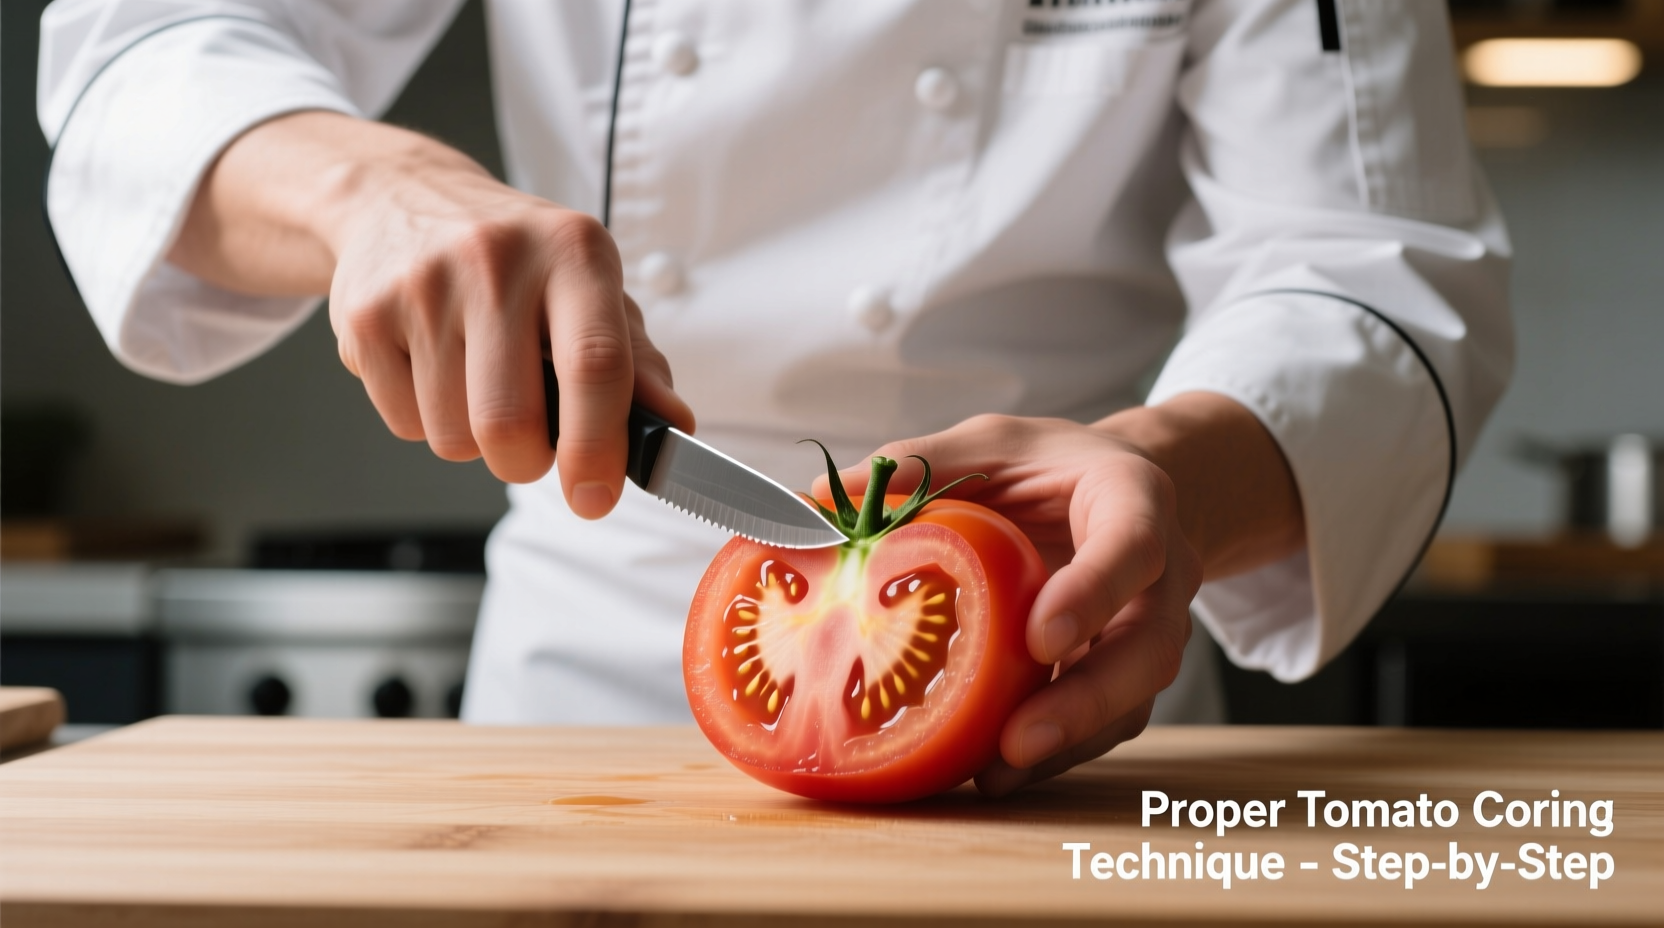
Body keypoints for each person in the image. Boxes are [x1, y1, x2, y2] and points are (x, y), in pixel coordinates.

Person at [38, 0, 1511, 795]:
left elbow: (1373, 265)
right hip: (573, 715)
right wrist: (375, 188)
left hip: (1067, 669)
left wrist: (1170, 480)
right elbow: (144, 48)